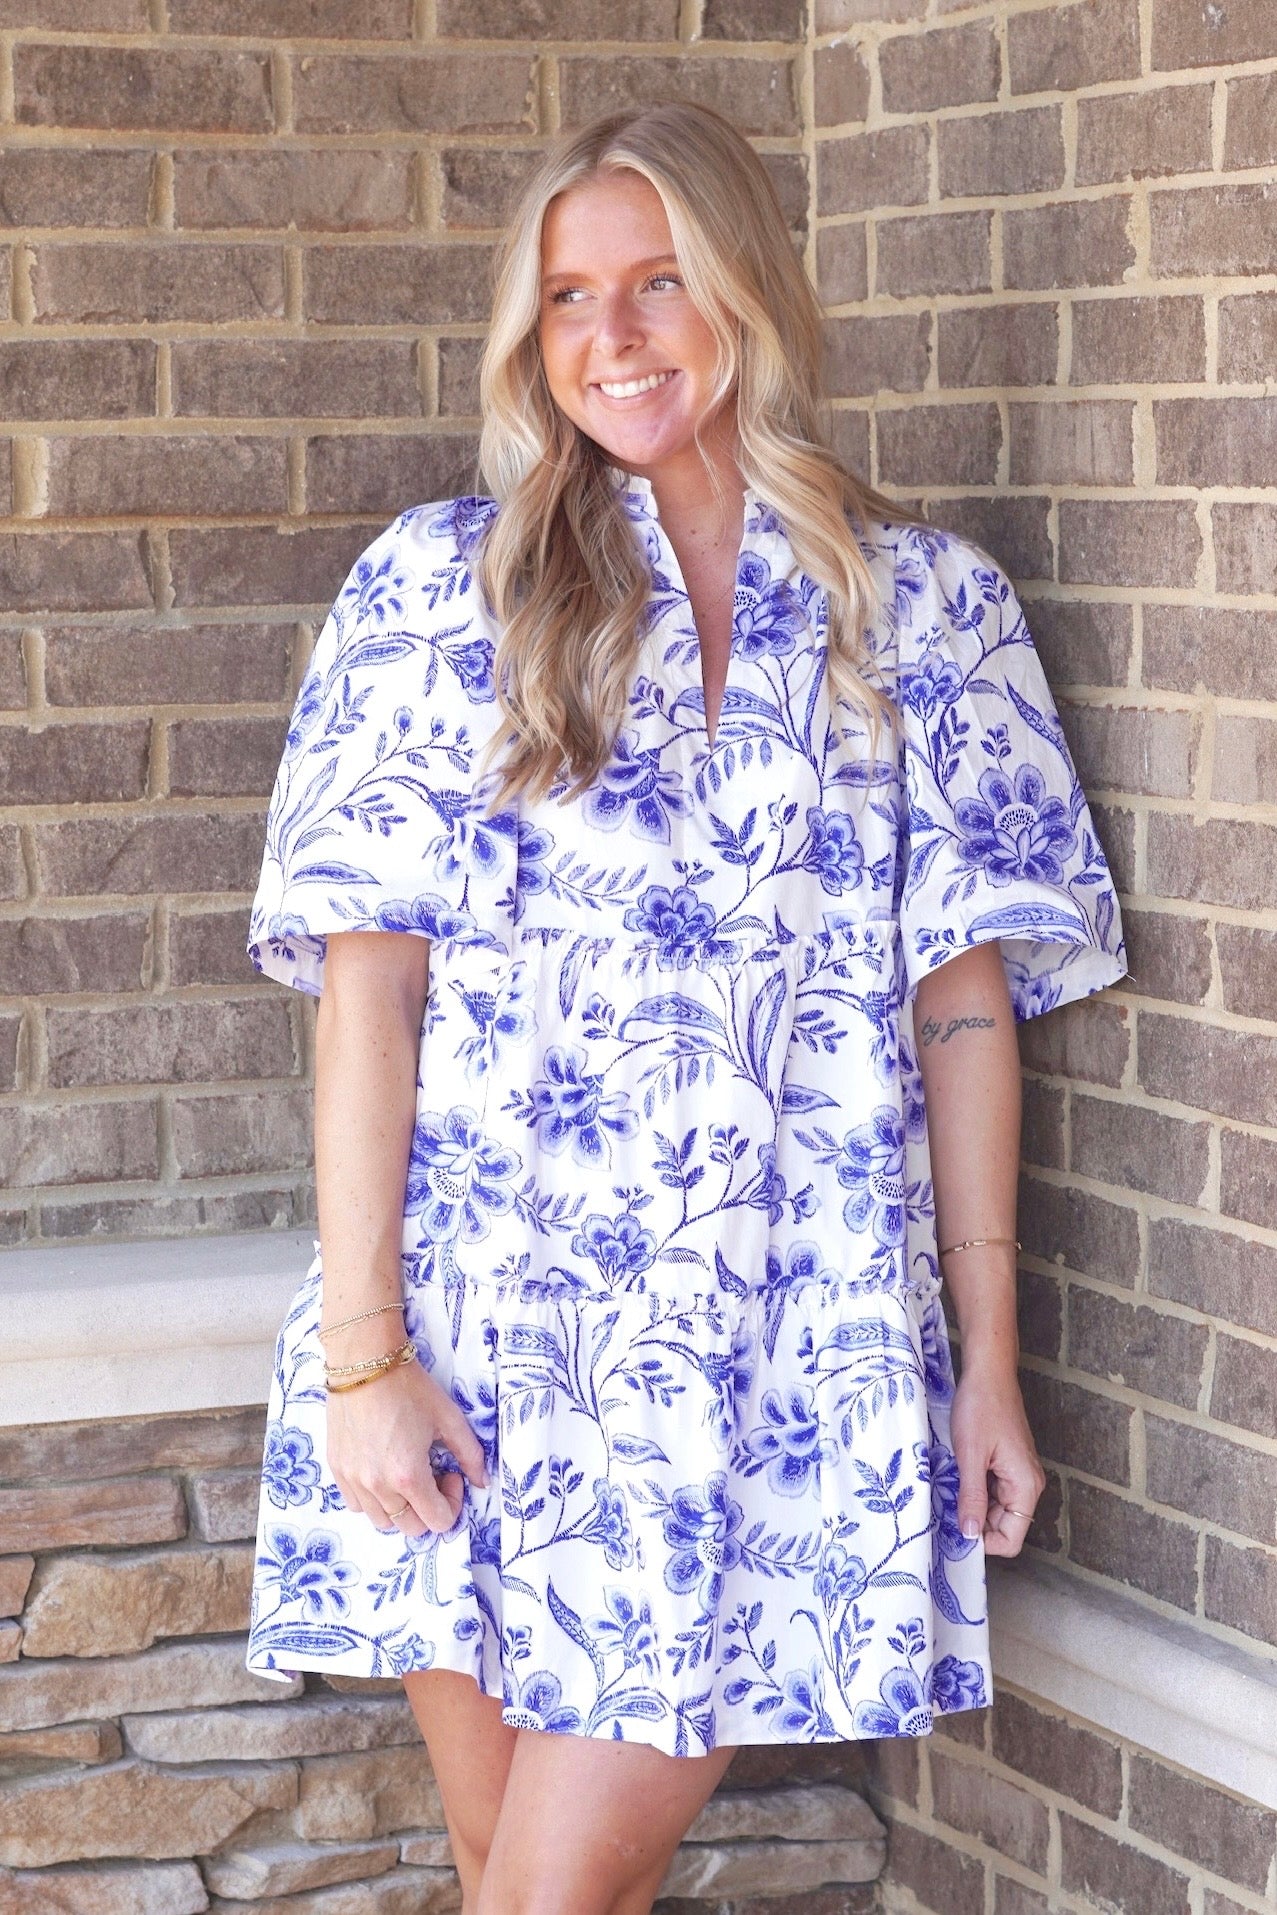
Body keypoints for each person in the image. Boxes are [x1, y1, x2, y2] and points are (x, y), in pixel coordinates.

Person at [244, 101, 1126, 1915]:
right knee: (525, 1875)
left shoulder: (922, 607)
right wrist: (362, 1352)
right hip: (473, 1336)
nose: (615, 338)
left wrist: (986, 1359)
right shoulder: (442, 589)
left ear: (749, 291)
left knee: (547, 1895)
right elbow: (366, 995)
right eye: (568, 300)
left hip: (778, 1355)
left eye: (659, 282)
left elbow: (961, 1014)